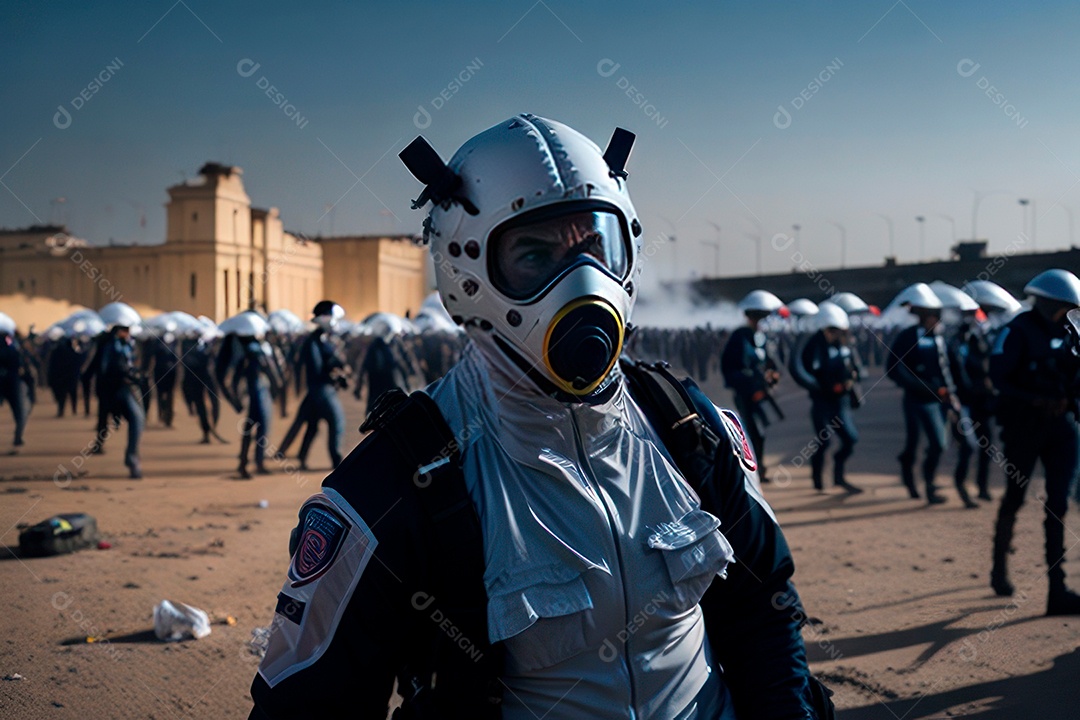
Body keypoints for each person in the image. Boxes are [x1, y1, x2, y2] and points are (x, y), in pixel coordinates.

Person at [249, 114, 827, 719]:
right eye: (534, 254)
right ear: (466, 272)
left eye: (594, 247)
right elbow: (308, 704)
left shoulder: (688, 425)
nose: (582, 282)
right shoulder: (397, 484)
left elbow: (764, 609)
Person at [989, 269, 1080, 614]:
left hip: (1061, 427)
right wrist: (1033, 399)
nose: (1064, 315)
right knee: (1015, 496)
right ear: (1046, 303)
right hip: (1024, 427)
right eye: (1061, 308)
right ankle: (999, 568)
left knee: (1058, 504)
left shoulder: (1069, 332)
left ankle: (1057, 591)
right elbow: (999, 377)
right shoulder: (1016, 330)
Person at [885, 283, 959, 504]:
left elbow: (947, 368)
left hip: (938, 400)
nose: (935, 321)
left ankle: (929, 483)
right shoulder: (907, 337)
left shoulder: (940, 339)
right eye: (931, 317)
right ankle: (909, 476)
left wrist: (950, 392)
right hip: (916, 400)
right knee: (913, 443)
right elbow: (894, 369)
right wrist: (921, 386)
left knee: (938, 443)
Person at [789, 302, 862, 493]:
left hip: (841, 402)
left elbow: (855, 368)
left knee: (850, 439)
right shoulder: (815, 346)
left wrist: (851, 378)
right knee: (824, 441)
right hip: (822, 402)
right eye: (831, 330)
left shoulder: (844, 346)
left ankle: (838, 475)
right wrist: (826, 386)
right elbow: (808, 370)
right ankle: (818, 479)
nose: (834, 334)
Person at [275, 301, 349, 470]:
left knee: (311, 425)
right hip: (321, 390)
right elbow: (317, 369)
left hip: (320, 390)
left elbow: (331, 361)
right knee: (336, 422)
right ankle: (336, 460)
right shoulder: (313, 342)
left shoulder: (323, 340)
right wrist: (335, 376)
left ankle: (300, 456)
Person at [721, 289, 784, 483]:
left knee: (759, 434)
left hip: (760, 393)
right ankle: (751, 472)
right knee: (751, 433)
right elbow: (730, 369)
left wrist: (771, 375)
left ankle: (758, 469)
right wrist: (751, 382)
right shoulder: (739, 339)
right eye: (758, 318)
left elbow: (769, 363)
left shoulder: (762, 339)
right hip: (746, 394)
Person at [218, 311, 283, 480]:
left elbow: (236, 376)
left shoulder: (245, 349)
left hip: (256, 391)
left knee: (250, 427)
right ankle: (255, 462)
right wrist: (276, 387)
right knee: (261, 427)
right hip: (259, 391)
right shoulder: (256, 348)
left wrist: (236, 398)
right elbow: (268, 370)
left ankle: (244, 463)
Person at [0, 312, 29, 452]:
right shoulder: (12, 343)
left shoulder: (11, 343)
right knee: (19, 411)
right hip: (12, 381)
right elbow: (18, 360)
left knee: (19, 411)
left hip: (10, 381)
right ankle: (18, 436)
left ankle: (18, 436)